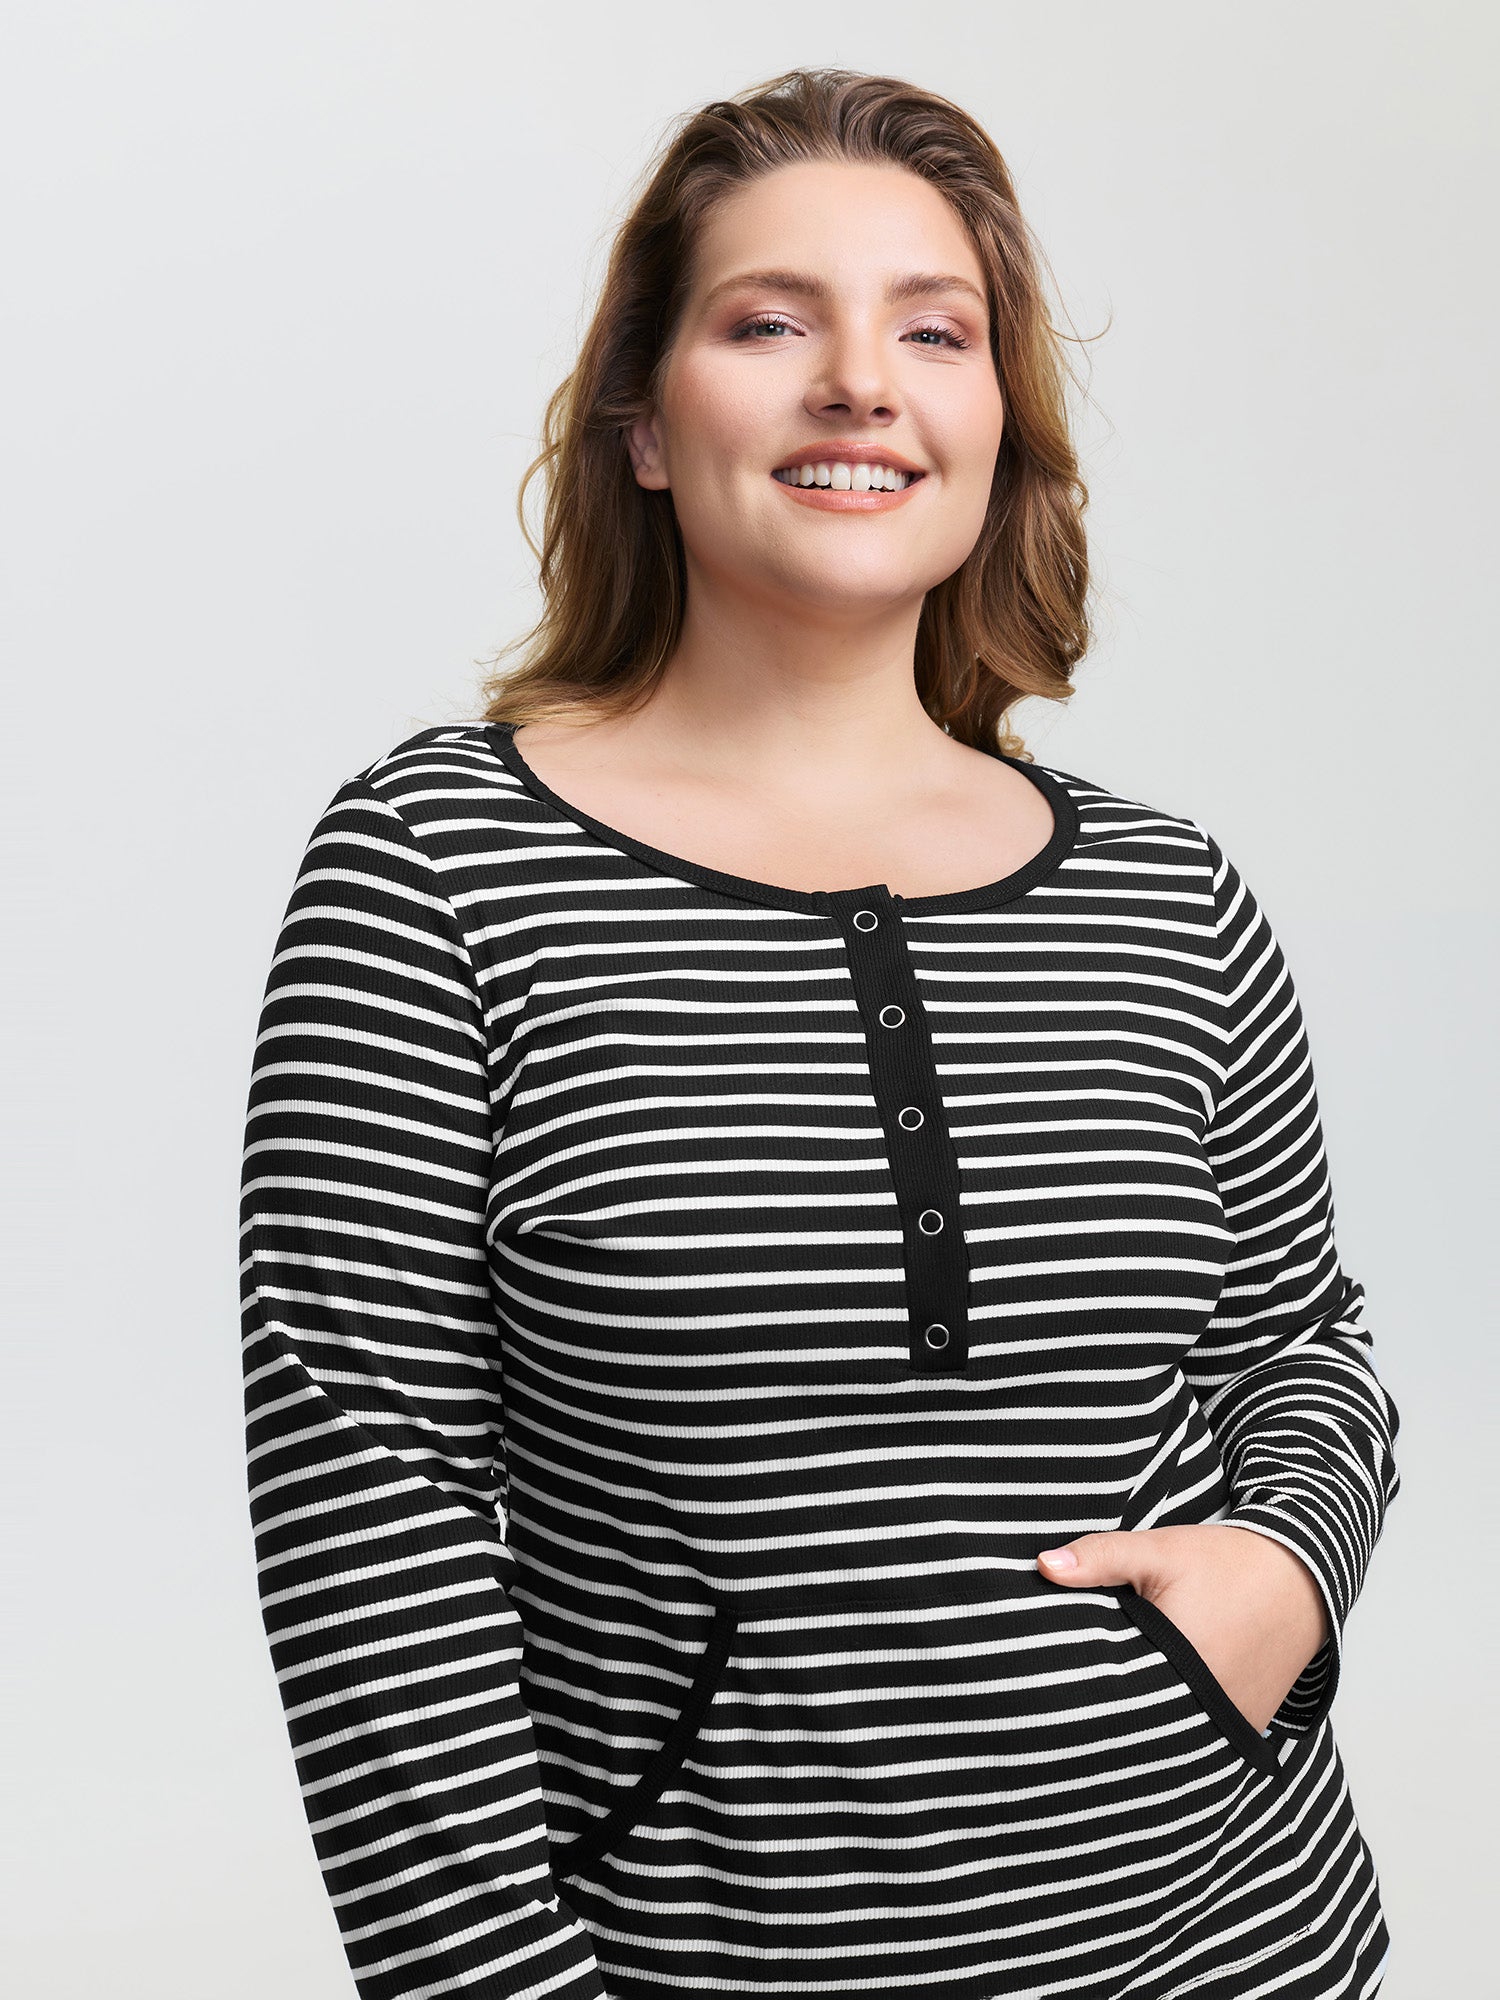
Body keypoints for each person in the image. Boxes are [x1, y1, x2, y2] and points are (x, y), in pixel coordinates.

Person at [239, 66, 1401, 2000]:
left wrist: (1284, 1564)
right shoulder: (439, 864)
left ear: (997, 428)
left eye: (935, 333)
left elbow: (1302, 1348)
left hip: (1244, 1945)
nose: (862, 384)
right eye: (771, 323)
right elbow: (369, 1510)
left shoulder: (1168, 893)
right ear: (641, 421)